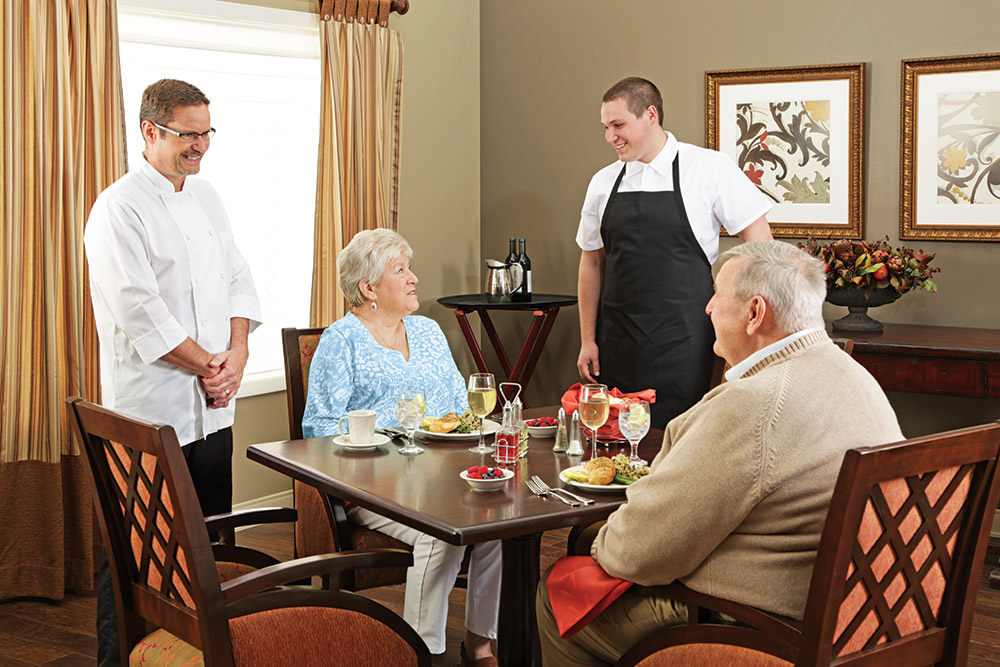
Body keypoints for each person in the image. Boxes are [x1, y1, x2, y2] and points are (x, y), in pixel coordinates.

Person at [538, 240, 904, 666]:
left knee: (556, 597)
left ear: (754, 313)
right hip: (860, 615)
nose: (708, 308)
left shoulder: (755, 403)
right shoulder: (854, 376)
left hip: (758, 625)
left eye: (716, 295)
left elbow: (637, 554)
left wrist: (599, 542)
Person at [85, 79, 261, 667]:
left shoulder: (208, 198)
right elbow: (142, 313)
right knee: (138, 555)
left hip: (213, 409)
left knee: (211, 543)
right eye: (189, 134)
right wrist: (210, 365)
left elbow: (239, 278)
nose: (201, 146)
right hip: (152, 411)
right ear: (150, 132)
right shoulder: (117, 208)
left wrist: (234, 354)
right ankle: (122, 658)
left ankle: (204, 654)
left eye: (207, 132)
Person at [302, 229, 500, 667]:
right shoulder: (341, 341)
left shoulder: (427, 331)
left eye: (409, 268)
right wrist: (384, 434)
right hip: (371, 483)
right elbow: (315, 428)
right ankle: (421, 652)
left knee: (499, 526)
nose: (414, 278)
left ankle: (481, 644)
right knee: (440, 537)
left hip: (442, 474)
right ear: (368, 288)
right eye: (400, 270)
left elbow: (457, 407)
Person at [576, 76, 774, 429]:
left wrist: (747, 323)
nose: (610, 136)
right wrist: (587, 340)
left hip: (686, 340)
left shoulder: (709, 168)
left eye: (618, 124)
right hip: (616, 340)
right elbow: (592, 262)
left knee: (684, 438)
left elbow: (760, 243)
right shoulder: (603, 182)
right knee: (614, 440)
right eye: (606, 127)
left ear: (650, 115)